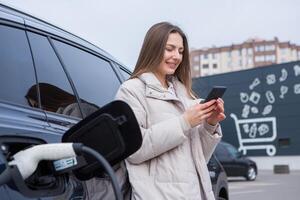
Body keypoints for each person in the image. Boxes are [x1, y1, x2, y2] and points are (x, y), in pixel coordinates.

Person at [115, 22, 225, 200]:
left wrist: (209, 125)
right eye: (170, 49)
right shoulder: (131, 90)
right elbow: (133, 150)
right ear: (153, 49)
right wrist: (184, 122)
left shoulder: (185, 94)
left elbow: (199, 158)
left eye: (180, 51)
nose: (177, 56)